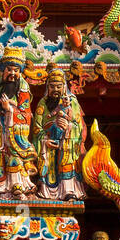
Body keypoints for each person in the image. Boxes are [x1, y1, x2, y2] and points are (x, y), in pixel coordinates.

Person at [0, 50, 37, 198]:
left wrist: (10, 109)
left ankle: (16, 184)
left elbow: (26, 113)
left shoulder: (22, 88)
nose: (12, 73)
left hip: (11, 129)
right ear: (3, 71)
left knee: (13, 154)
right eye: (9, 69)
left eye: (16, 70)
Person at [31, 65, 86, 200]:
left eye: (58, 86)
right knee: (47, 162)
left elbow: (78, 124)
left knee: (67, 159)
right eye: (52, 86)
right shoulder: (42, 104)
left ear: (64, 87)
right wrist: (44, 139)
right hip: (49, 143)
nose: (55, 90)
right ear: (47, 87)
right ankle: (46, 190)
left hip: (66, 141)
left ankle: (68, 190)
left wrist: (68, 127)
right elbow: (37, 127)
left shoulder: (71, 101)